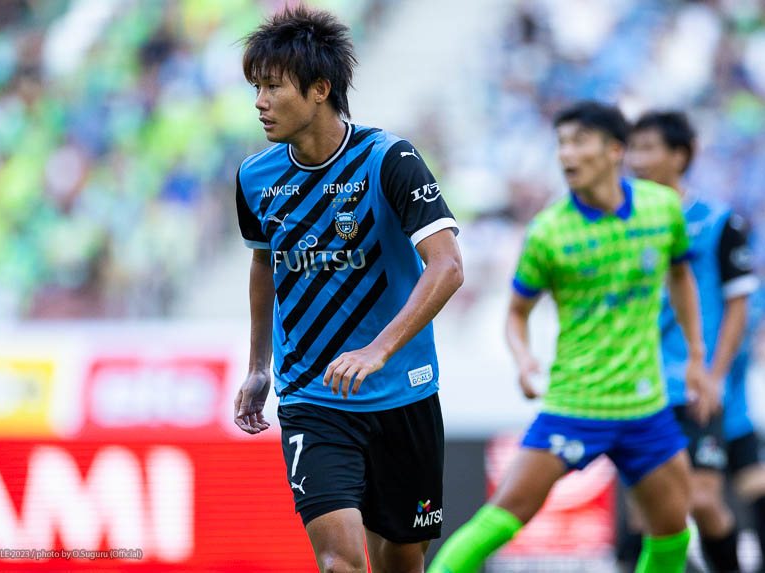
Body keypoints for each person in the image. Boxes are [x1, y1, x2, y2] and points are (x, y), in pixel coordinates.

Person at [429, 101, 718, 573]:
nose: (566, 153)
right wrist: (523, 359)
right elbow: (516, 313)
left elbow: (682, 276)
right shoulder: (548, 232)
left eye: (579, 141)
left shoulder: (662, 209)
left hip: (645, 407)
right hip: (575, 403)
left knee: (672, 531)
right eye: (561, 143)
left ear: (614, 150)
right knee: (501, 518)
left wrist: (696, 358)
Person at [232, 6, 463, 573]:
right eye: (256, 87)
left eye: (272, 87)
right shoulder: (254, 177)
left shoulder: (390, 160)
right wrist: (259, 365)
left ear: (319, 89)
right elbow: (263, 263)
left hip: (403, 391)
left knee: (402, 560)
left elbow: (448, 267)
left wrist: (377, 350)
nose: (259, 102)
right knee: (340, 563)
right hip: (312, 395)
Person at [620, 110, 762, 571]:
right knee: (646, 514)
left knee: (702, 499)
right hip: (640, 387)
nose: (637, 159)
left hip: (697, 384)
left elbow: (738, 306)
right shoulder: (623, 223)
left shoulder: (719, 222)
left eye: (648, 148)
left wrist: (716, 375)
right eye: (633, 148)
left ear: (679, 156)